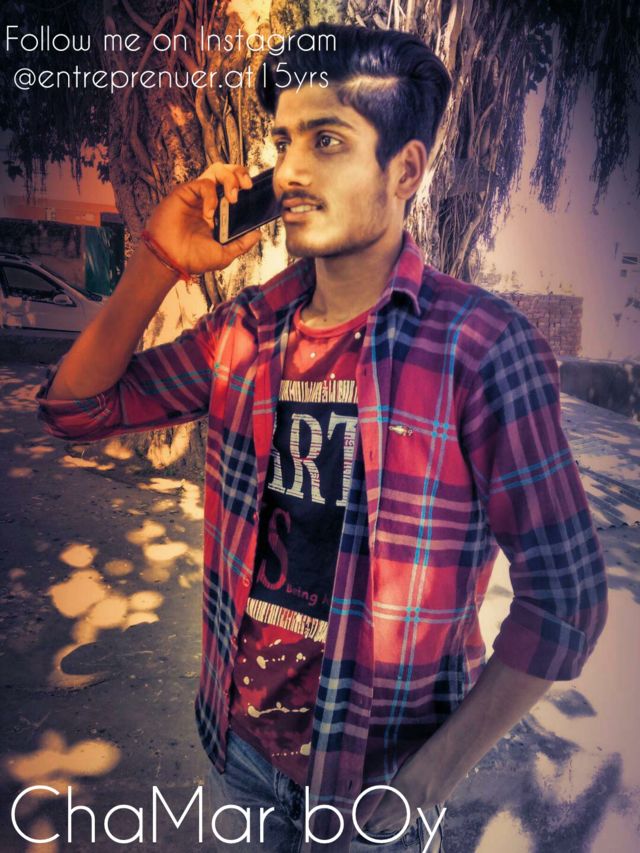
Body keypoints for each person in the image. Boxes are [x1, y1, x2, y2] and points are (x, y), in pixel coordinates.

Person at [37, 23, 608, 853]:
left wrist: (430, 778)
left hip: (382, 780)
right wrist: (159, 260)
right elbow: (77, 408)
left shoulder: (482, 349)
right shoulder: (247, 328)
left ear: (405, 169)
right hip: (239, 751)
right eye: (283, 142)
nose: (292, 171)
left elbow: (567, 599)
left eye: (327, 140)